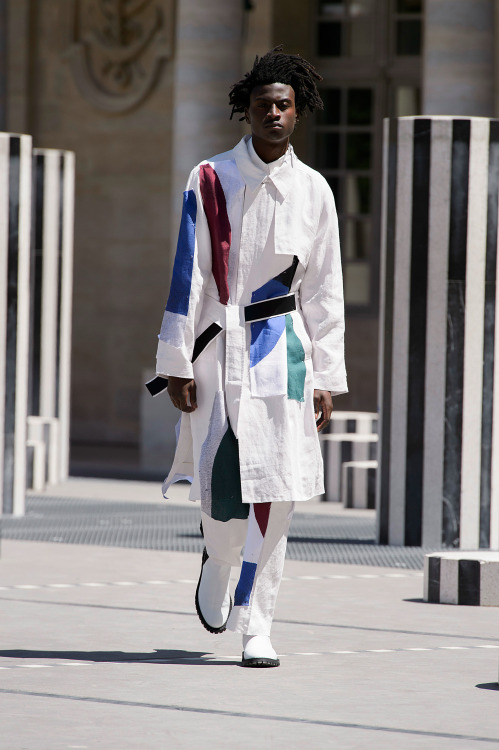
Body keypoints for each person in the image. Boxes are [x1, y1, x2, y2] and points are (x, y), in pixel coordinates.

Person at [154, 47, 347, 668]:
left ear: (298, 112)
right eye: (263, 104)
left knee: (278, 486)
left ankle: (257, 623)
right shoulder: (209, 177)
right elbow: (187, 273)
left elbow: (324, 288)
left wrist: (325, 376)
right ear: (247, 110)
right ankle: (217, 555)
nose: (274, 113)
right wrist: (175, 361)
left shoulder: (314, 189)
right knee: (220, 482)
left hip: (282, 352)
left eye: (284, 105)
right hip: (215, 349)